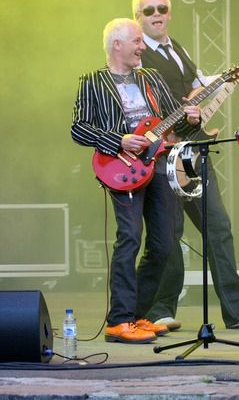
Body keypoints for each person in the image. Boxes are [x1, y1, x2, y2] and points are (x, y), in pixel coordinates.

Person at [132, 0, 239, 330]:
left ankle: (237, 309)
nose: (157, 16)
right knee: (168, 232)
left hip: (192, 150)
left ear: (170, 12)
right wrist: (178, 113)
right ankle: (159, 309)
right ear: (138, 18)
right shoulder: (137, 56)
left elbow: (200, 84)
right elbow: (137, 103)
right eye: (149, 11)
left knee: (217, 226)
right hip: (163, 154)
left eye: (162, 9)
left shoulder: (174, 48)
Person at [71, 18, 201, 344]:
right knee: (129, 238)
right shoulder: (93, 82)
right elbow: (79, 128)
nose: (143, 47)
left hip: (156, 165)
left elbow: (175, 124)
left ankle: (138, 315)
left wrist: (191, 119)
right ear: (117, 45)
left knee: (164, 243)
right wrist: (118, 140)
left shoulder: (151, 78)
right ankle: (119, 321)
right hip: (121, 167)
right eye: (137, 42)